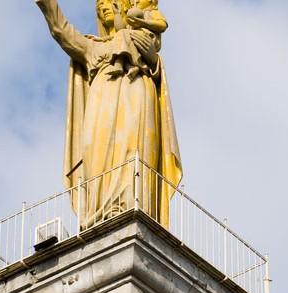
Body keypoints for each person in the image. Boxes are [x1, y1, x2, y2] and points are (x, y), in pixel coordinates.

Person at [34, 0, 182, 229]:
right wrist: (47, 4)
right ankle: (99, 210)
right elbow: (61, 31)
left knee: (134, 148)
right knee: (97, 153)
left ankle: (136, 206)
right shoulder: (93, 47)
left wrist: (150, 53)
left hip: (136, 94)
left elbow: (154, 56)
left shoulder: (141, 39)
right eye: (99, 6)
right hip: (101, 103)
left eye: (109, 2)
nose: (103, 7)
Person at [108, 0, 168, 79]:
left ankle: (122, 64)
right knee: (123, 37)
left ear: (152, 2)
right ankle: (130, 66)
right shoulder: (131, 18)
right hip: (133, 38)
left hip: (147, 38)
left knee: (128, 37)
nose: (136, 1)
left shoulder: (152, 12)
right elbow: (120, 31)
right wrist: (117, 14)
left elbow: (162, 25)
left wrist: (141, 22)